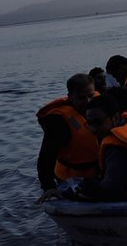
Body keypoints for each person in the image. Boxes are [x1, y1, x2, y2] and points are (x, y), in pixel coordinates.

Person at [36, 74, 99, 202]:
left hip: (98, 172)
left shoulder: (101, 105)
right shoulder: (58, 121)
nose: (87, 101)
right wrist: (49, 187)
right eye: (81, 98)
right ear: (70, 97)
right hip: (71, 177)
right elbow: (46, 157)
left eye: (90, 96)